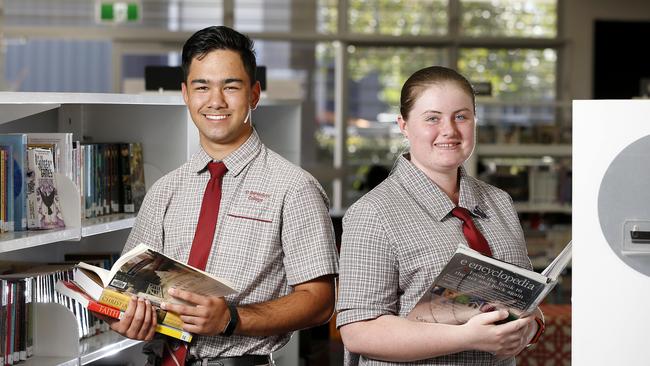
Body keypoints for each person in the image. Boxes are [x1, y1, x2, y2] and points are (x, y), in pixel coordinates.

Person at [107, 25, 339, 366]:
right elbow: (122, 293)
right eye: (202, 87)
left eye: (230, 86)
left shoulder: (294, 187)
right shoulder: (165, 190)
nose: (215, 101)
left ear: (254, 94)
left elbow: (320, 301)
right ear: (186, 94)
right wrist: (125, 318)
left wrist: (232, 318)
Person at [335, 66, 544, 365]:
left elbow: (525, 302)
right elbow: (360, 331)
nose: (449, 130)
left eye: (461, 116)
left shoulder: (500, 203)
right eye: (432, 118)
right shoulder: (373, 213)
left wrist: (529, 329)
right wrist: (468, 337)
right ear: (404, 125)